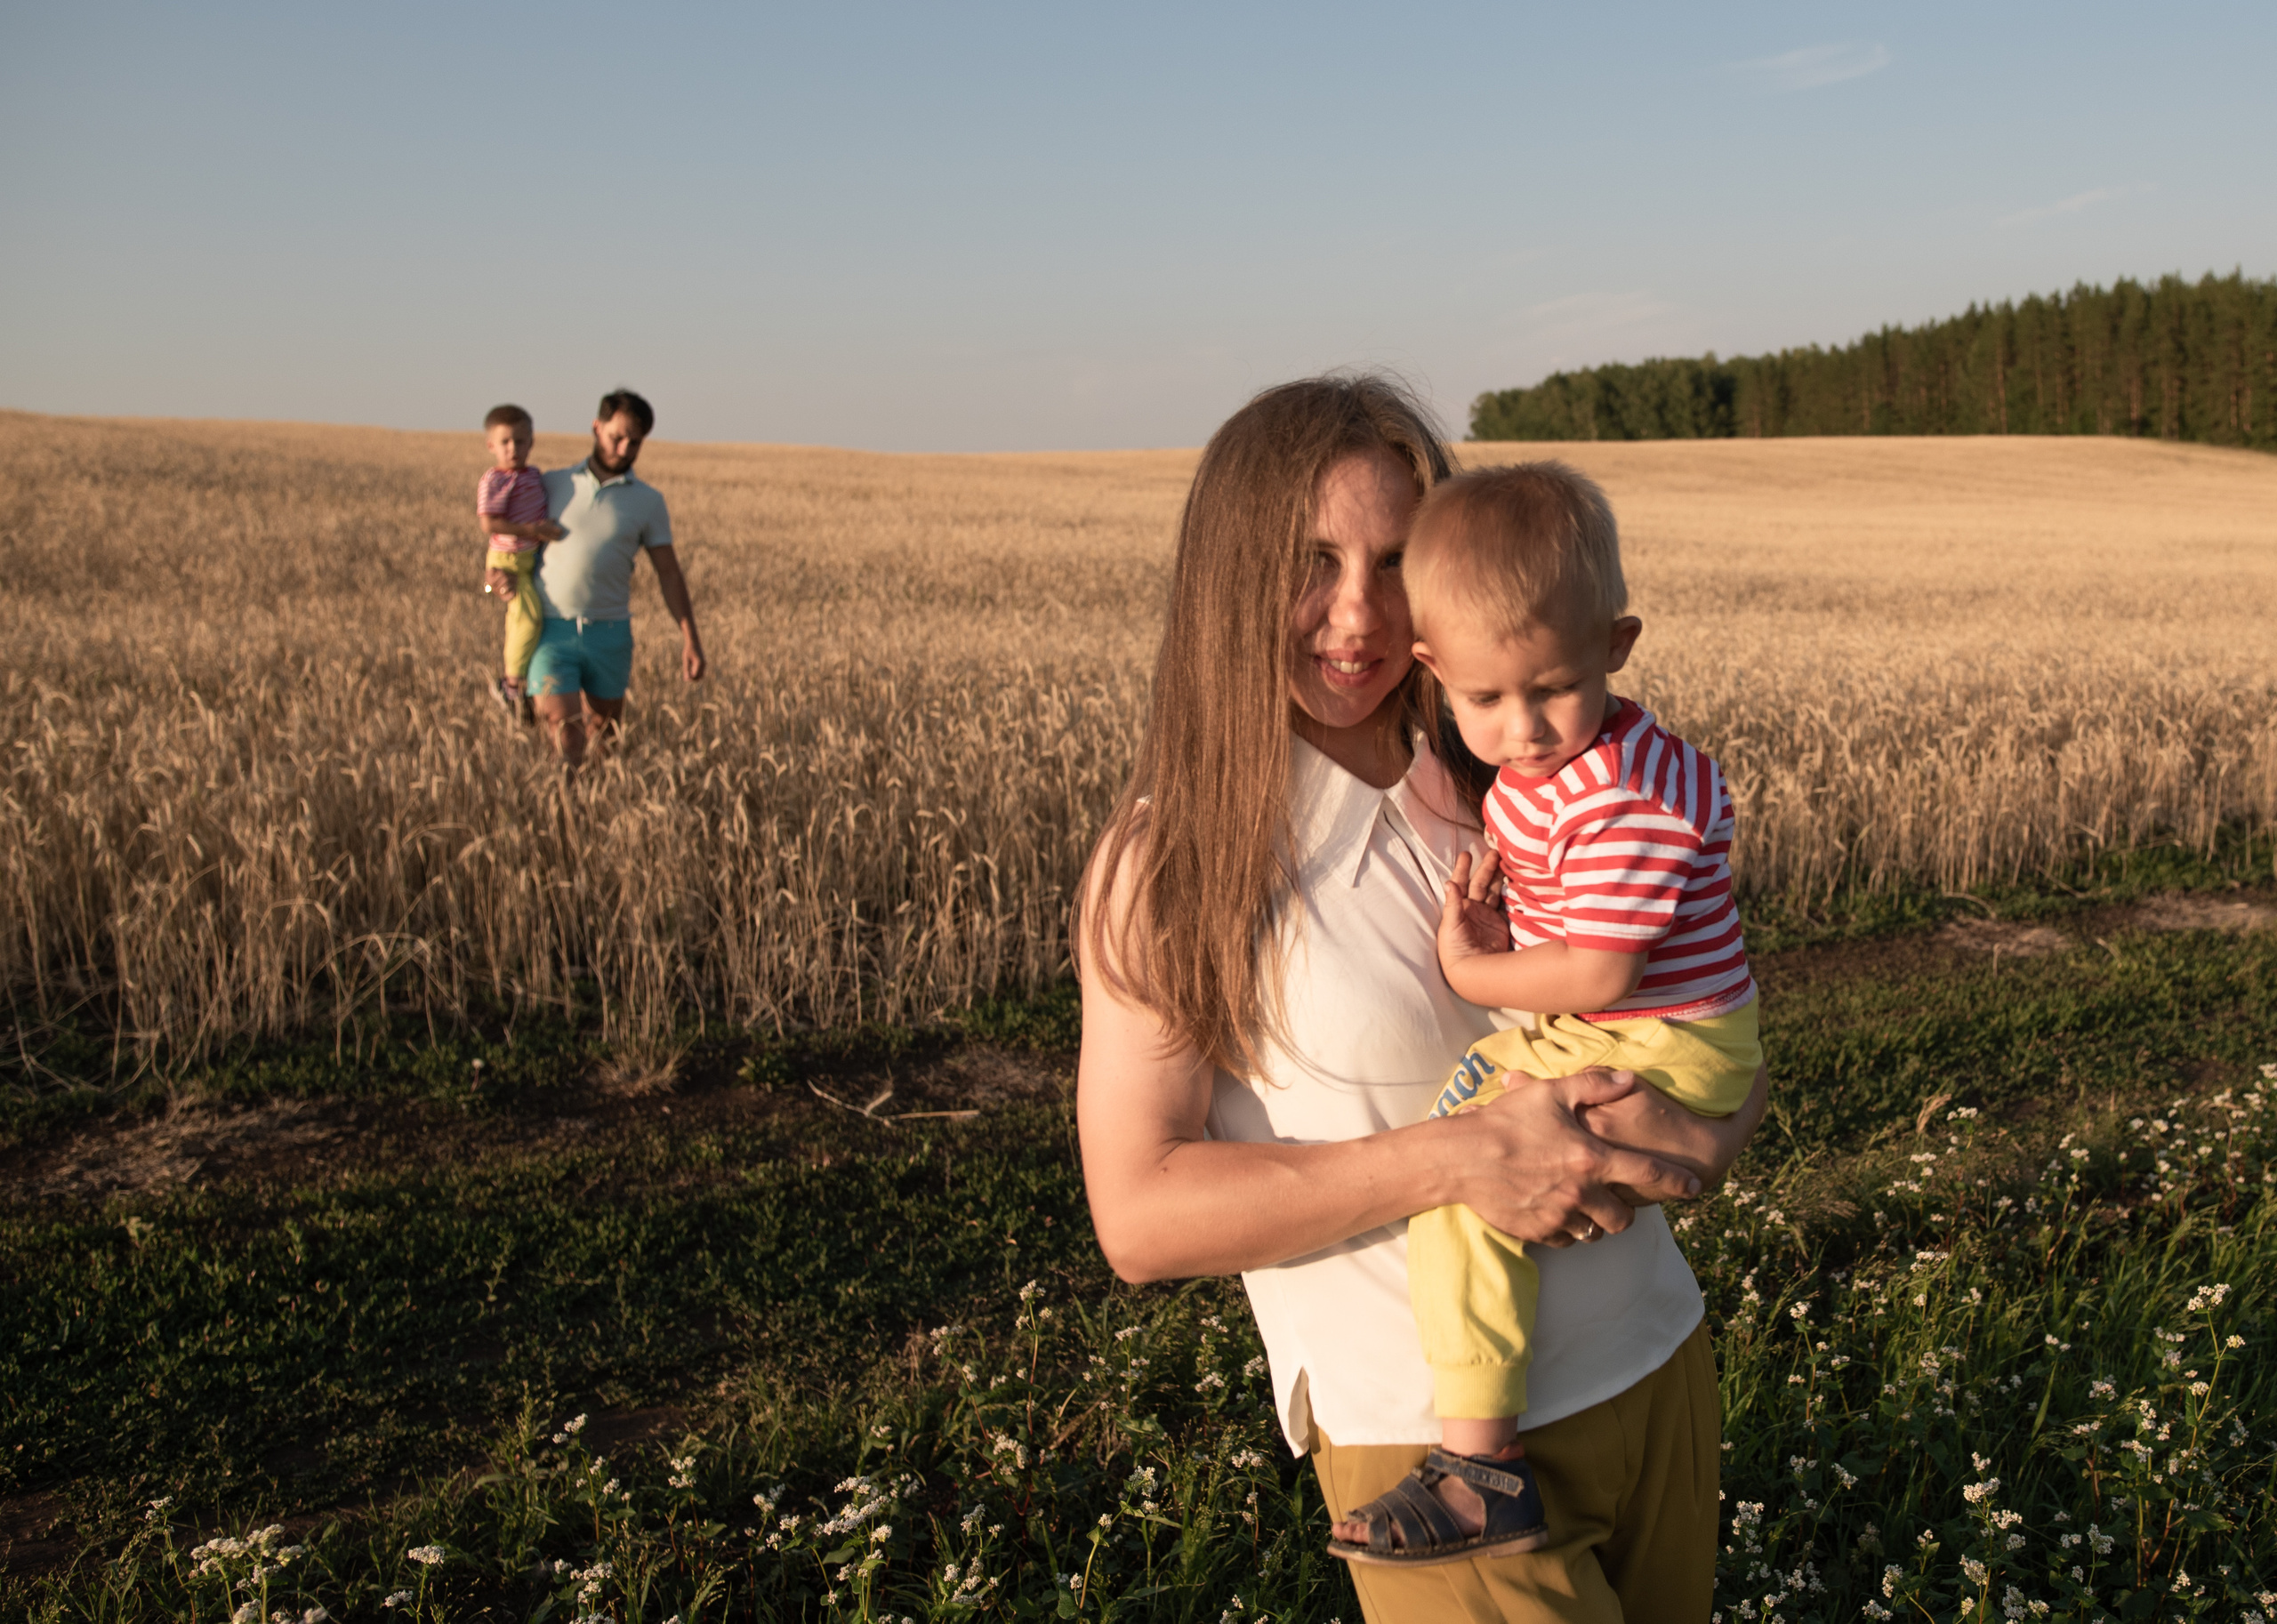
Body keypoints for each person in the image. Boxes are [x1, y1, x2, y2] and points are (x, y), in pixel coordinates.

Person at [1075, 375, 1766, 1622]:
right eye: (1310, 560)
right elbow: (1138, 1213)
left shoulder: (1511, 772)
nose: (1357, 612)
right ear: (1227, 575)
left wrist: (1718, 1126)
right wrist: (1461, 1160)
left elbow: (1686, 994)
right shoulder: (1173, 861)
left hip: (1657, 1359)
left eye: (1395, 562)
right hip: (1437, 1453)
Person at [1323, 462, 1763, 1570]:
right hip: (1675, 1030)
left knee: (1467, 1183)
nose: (1521, 730)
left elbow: (1605, 971)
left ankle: (1478, 1470)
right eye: (1485, 701)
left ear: (1617, 645)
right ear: (1438, 672)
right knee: (1473, 1129)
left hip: (1654, 1034)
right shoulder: (1572, 760)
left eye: (1549, 689)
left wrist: (1474, 969)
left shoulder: (1616, 792)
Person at [487, 388, 706, 768]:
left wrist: (691, 639)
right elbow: (506, 543)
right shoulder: (551, 484)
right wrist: (493, 579)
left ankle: (595, 814)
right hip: (550, 629)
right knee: (564, 734)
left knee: (606, 740)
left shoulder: (648, 502)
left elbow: (669, 573)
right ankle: (565, 816)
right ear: (596, 427)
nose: (623, 449)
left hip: (611, 634)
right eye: (616, 437)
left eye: (634, 442)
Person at [474, 404, 566, 717]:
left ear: (532, 442)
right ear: (491, 446)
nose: (513, 449)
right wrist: (531, 531)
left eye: (521, 441)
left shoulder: (533, 475)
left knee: (520, 619)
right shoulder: (496, 480)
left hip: (527, 557)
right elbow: (489, 523)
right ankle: (511, 685)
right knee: (526, 619)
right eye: (505, 442)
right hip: (509, 559)